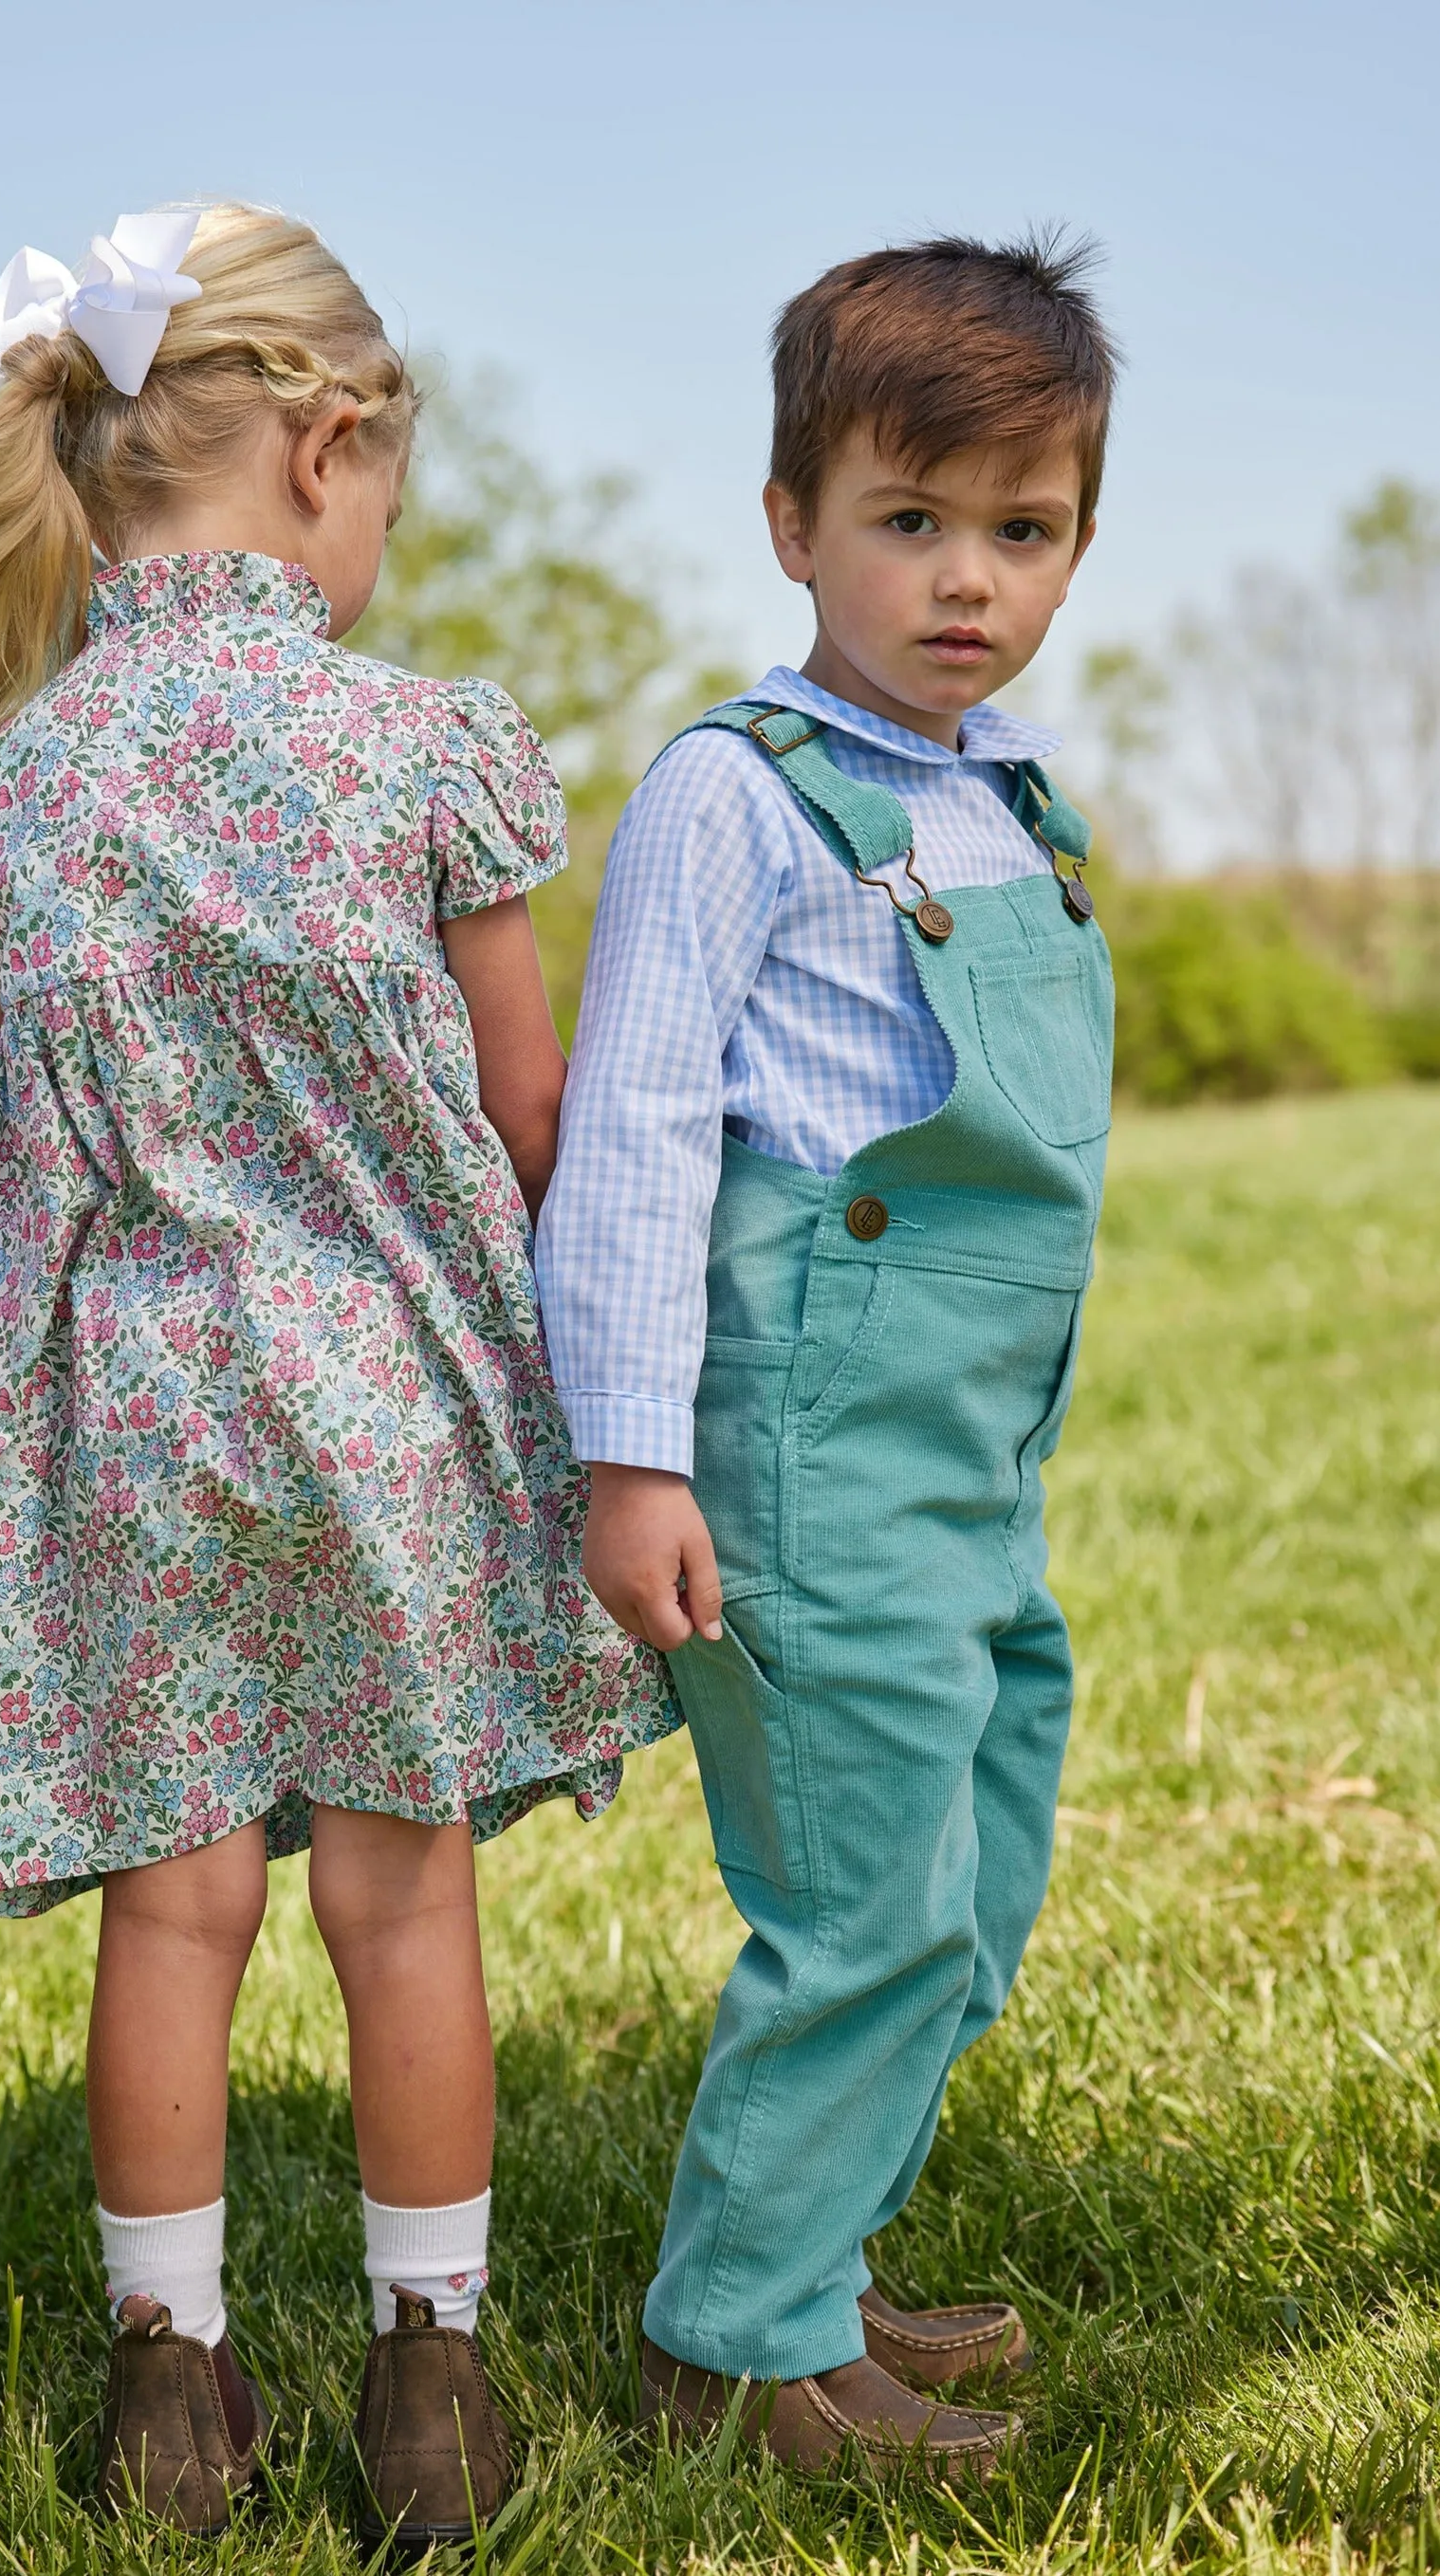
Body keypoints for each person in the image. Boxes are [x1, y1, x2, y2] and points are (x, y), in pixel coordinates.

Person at [0, 199, 675, 2549]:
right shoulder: (423, 749)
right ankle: (435, 2379)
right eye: (388, 487)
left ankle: (167, 2386)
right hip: (382, 1400)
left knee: (173, 1915)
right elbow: (523, 1104)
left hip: (139, 1419)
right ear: (323, 446)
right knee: (403, 1902)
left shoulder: (0, 790)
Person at [536, 232, 1117, 2477]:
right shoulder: (737, 793)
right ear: (794, 523)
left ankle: (830, 2235)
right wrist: (629, 1453)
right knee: (866, 1882)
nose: (964, 578)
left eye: (1023, 527)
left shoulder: (1017, 806)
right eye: (911, 519)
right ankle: (742, 2341)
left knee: (973, 1845)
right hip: (794, 1442)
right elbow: (641, 1129)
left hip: (962, 1451)